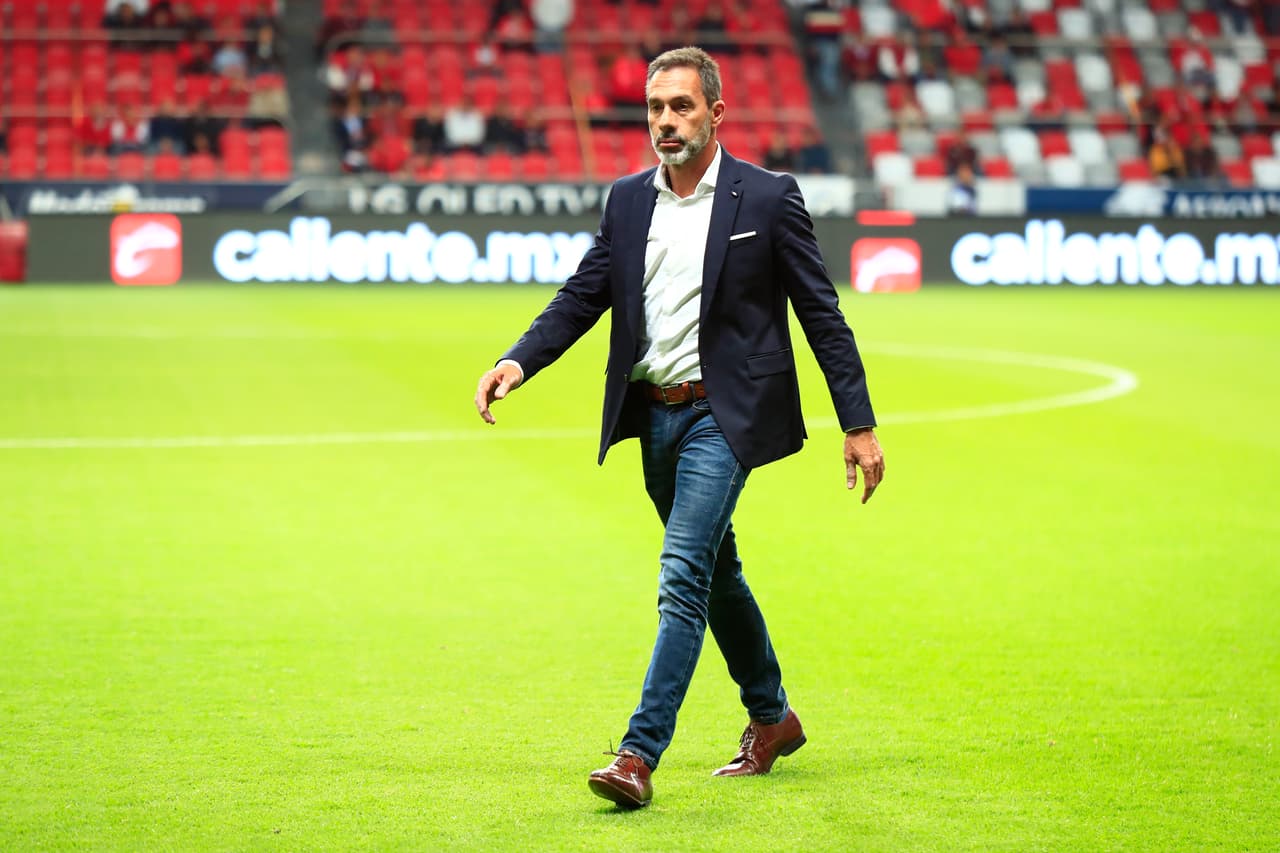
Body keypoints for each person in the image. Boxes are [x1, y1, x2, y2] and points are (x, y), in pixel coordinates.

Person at [473, 46, 884, 810]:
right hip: (653, 416)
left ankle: (637, 753)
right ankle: (772, 715)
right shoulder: (628, 200)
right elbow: (582, 293)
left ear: (716, 113)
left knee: (682, 574)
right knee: (717, 570)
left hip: (725, 417)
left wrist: (857, 423)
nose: (665, 120)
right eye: (656, 107)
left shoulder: (766, 198)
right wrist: (517, 360)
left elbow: (821, 314)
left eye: (682, 106)